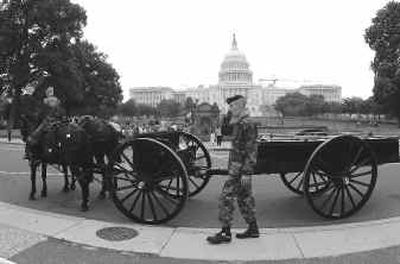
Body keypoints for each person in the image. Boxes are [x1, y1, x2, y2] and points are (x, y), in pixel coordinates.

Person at [207, 95, 259, 245]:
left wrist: (247, 172)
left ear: (240, 106)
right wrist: (226, 117)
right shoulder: (239, 122)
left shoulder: (247, 123)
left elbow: (251, 150)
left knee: (226, 197)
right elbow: (224, 131)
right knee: (244, 198)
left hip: (240, 169)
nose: (230, 108)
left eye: (232, 106)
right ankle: (253, 228)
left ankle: (225, 232)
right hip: (238, 167)